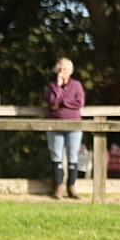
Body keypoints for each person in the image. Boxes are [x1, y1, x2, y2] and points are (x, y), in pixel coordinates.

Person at [44, 57, 85, 200]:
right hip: (55, 125)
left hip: (74, 125)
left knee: (73, 156)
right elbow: (51, 102)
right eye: (60, 69)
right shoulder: (51, 86)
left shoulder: (77, 85)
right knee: (56, 156)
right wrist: (58, 86)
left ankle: (71, 187)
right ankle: (58, 187)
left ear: (71, 71)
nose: (62, 72)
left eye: (65, 69)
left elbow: (79, 102)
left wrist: (61, 102)